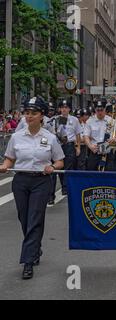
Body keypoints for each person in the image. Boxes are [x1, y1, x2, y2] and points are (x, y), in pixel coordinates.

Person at [0, 97, 65, 280]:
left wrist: (53, 167)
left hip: (41, 181)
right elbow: (9, 159)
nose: (29, 117)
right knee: (24, 218)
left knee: (35, 218)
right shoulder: (16, 136)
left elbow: (59, 160)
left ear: (42, 115)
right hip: (20, 181)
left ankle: (28, 262)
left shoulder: (50, 138)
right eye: (27, 113)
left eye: (33, 113)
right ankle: (35, 247)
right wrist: (5, 166)